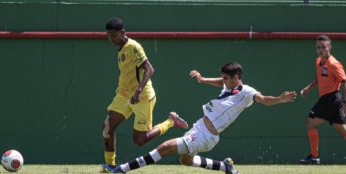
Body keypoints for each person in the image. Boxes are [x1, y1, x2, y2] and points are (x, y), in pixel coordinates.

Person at [102, 62, 297, 173]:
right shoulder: (229, 85)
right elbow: (221, 81)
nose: (224, 81)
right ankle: (224, 166)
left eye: (227, 78)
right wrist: (203, 79)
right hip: (199, 128)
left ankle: (121, 169)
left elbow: (263, 99)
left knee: (165, 147)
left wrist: (279, 99)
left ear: (237, 76)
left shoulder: (247, 91)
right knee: (185, 160)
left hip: (206, 136)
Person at [102, 17, 188, 171]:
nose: (111, 39)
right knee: (108, 126)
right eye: (109, 35)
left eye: (114, 35)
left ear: (123, 32)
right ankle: (110, 165)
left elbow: (149, 69)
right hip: (124, 95)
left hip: (142, 97)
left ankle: (170, 121)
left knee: (139, 140)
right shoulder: (121, 48)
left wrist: (139, 90)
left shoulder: (133, 47)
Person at [299, 35, 346, 165]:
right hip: (330, 100)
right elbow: (318, 79)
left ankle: (314, 157)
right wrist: (308, 88)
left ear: (329, 48)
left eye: (324, 47)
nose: (320, 50)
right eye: (318, 47)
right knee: (342, 131)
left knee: (310, 123)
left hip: (331, 99)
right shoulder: (318, 61)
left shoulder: (334, 63)